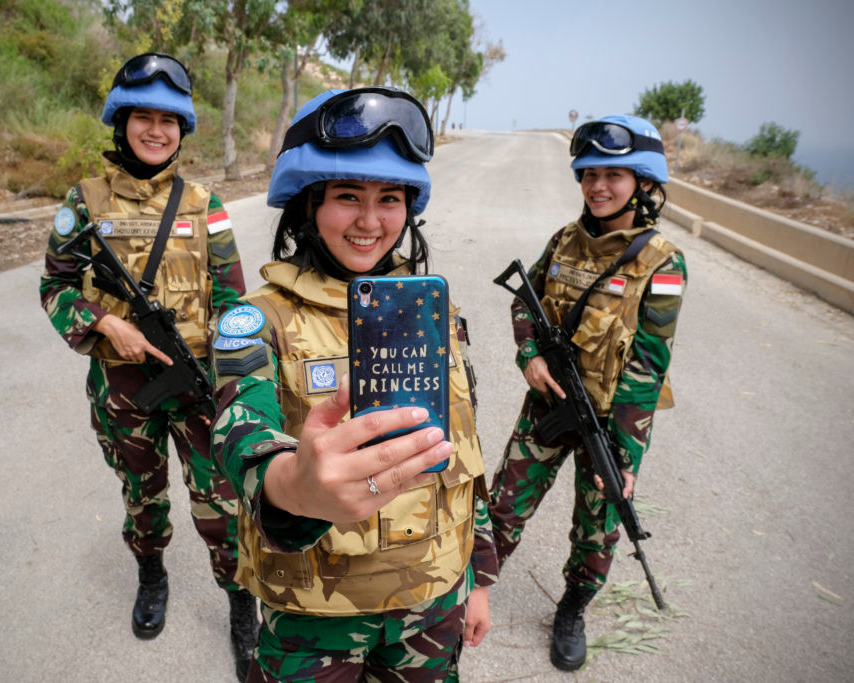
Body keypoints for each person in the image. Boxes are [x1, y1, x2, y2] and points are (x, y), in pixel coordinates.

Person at [208, 86, 499, 681]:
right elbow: (239, 431)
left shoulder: (431, 313)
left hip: (433, 604)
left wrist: (477, 578)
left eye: (390, 198)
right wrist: (293, 486)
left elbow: (463, 452)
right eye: (347, 196)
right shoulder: (255, 320)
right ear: (308, 206)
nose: (371, 221)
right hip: (315, 616)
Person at [39, 52, 258, 678]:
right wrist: (106, 324)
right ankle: (152, 574)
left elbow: (236, 300)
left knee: (220, 504)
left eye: (169, 120)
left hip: (195, 386)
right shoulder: (83, 201)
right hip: (124, 388)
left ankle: (240, 601)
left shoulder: (205, 202)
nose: (156, 130)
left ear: (182, 128)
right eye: (143, 117)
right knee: (143, 495)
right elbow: (54, 287)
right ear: (121, 121)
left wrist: (231, 368)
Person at [488, 114, 687, 671]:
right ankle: (467, 593)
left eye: (613, 175)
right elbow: (523, 300)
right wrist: (529, 357)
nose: (597, 187)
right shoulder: (564, 241)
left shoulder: (662, 263)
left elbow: (648, 365)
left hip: (610, 421)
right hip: (549, 406)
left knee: (598, 529)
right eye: (588, 174)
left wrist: (624, 455)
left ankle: (573, 607)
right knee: (502, 507)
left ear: (643, 184)